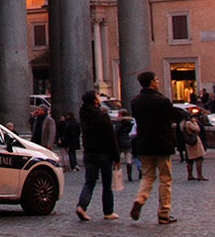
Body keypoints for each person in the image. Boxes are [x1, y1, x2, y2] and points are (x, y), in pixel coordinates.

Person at [129, 70, 177, 224]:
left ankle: (140, 199)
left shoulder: (135, 101)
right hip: (162, 144)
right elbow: (171, 118)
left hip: (144, 143)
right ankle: (164, 212)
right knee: (165, 178)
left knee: (147, 176)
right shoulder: (162, 101)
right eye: (156, 79)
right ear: (151, 82)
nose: (158, 82)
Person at [74, 90, 119, 221]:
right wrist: (116, 157)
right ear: (94, 100)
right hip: (104, 152)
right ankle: (108, 211)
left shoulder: (83, 114)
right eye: (97, 96)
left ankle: (81, 206)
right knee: (107, 184)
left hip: (89, 152)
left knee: (90, 182)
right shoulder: (102, 115)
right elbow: (111, 137)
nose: (99, 98)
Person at [179, 112, 206, 181]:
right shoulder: (189, 123)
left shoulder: (182, 124)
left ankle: (190, 175)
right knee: (199, 158)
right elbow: (197, 129)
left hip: (188, 143)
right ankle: (199, 175)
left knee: (190, 160)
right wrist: (195, 122)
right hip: (194, 142)